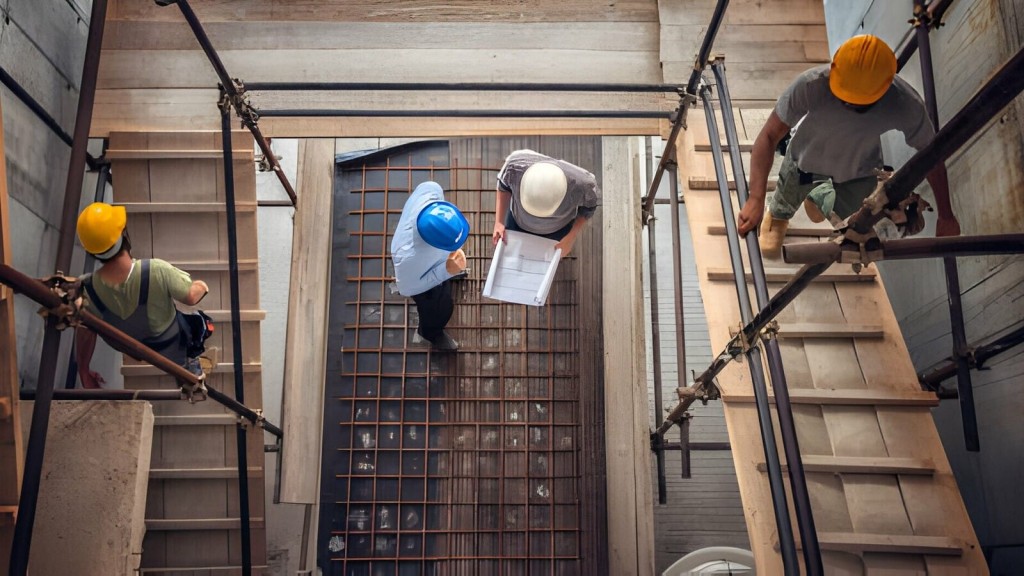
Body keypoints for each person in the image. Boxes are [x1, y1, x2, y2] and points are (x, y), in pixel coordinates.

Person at [736, 34, 960, 257]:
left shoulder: (903, 103)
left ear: (884, 88)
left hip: (858, 173)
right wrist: (755, 198)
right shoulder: (811, 85)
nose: (849, 104)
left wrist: (946, 215)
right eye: (844, 97)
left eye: (859, 104)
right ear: (834, 70)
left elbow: (931, 156)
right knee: (788, 195)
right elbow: (769, 136)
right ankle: (778, 216)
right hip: (805, 163)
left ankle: (817, 198)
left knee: (853, 223)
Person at [74, 202, 211, 389]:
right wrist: (202, 285)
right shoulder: (156, 270)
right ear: (123, 235)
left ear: (91, 250)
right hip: (167, 343)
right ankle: (188, 364)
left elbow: (85, 331)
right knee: (199, 322)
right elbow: (191, 297)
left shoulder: (86, 288)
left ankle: (183, 367)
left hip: (134, 348)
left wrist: (83, 369)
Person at [391, 181, 470, 351]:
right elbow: (407, 288)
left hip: (428, 262)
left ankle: (450, 270)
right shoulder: (408, 257)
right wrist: (446, 271)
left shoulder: (431, 191)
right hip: (416, 278)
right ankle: (430, 333)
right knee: (439, 307)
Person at [491, 149, 601, 256]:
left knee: (541, 268)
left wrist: (571, 237)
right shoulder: (515, 166)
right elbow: (503, 187)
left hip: (557, 230)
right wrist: (499, 222)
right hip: (517, 222)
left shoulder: (584, 184)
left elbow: (588, 209)